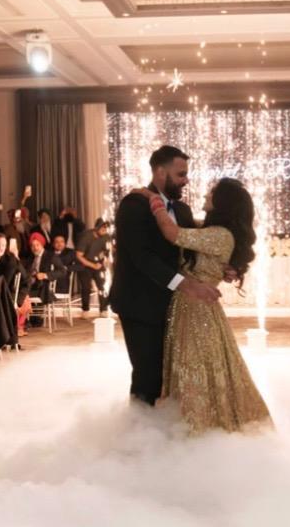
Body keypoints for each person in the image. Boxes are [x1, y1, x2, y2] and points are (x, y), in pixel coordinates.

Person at [135, 177, 271, 432]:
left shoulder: (220, 235)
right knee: (194, 366)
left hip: (197, 308)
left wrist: (153, 200)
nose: (206, 195)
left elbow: (172, 233)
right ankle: (197, 423)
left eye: (212, 193)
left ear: (223, 202)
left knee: (194, 367)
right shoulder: (213, 231)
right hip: (192, 306)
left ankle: (198, 426)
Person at [110, 145, 219, 406]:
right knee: (147, 376)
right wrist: (185, 285)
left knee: (171, 375)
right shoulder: (133, 205)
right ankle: (140, 427)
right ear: (160, 172)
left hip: (173, 306)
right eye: (181, 174)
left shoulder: (182, 210)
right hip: (139, 304)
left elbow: (192, 249)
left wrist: (223, 266)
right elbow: (142, 257)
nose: (186, 180)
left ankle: (161, 426)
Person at [75, 219, 111, 318]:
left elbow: (107, 251)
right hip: (84, 265)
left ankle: (103, 309)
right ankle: (85, 309)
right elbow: (78, 255)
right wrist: (92, 265)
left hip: (98, 264)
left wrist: (104, 261)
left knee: (102, 286)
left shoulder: (106, 237)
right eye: (103, 227)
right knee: (86, 287)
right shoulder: (86, 237)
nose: (105, 229)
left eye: (106, 228)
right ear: (97, 228)